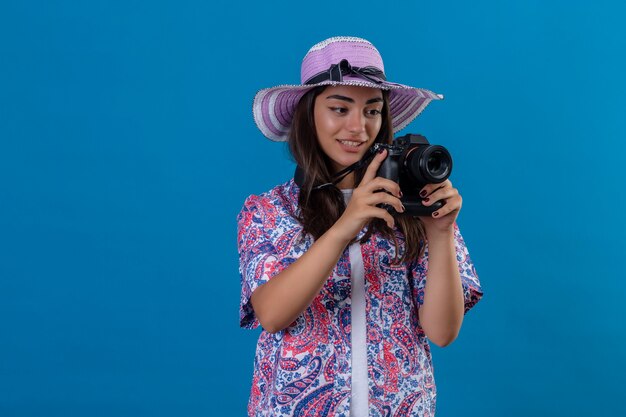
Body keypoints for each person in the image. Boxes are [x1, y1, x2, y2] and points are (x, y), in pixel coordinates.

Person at [237, 36, 483, 417]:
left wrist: (440, 232)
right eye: (340, 108)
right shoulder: (269, 210)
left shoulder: (410, 206)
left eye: (372, 111)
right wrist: (345, 226)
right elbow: (271, 314)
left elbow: (442, 332)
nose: (358, 127)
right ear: (308, 114)